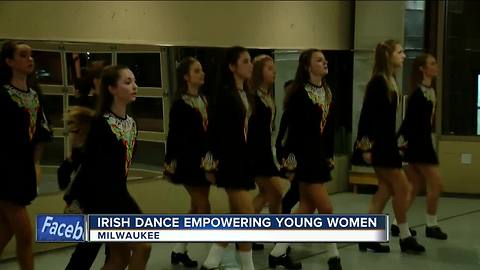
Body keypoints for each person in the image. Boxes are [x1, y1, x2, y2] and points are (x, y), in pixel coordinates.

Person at [269, 49, 341, 270]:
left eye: (324, 59)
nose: (325, 62)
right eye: (319, 60)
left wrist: (328, 154)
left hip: (317, 157)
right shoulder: (299, 93)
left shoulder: (327, 91)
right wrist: (287, 160)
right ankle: (333, 257)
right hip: (302, 158)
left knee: (307, 209)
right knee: (326, 208)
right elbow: (287, 130)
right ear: (308, 67)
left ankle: (278, 252)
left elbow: (327, 129)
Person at [352, 40, 425, 254]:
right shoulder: (378, 82)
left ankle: (368, 237)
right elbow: (367, 117)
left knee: (384, 190)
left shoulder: (390, 80)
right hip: (380, 146)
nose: (404, 56)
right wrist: (365, 147)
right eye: (400, 52)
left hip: (387, 143)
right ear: (388, 56)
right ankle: (404, 236)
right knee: (402, 188)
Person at [75, 65, 151, 269]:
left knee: (120, 257)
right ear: (111, 89)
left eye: (134, 81)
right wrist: (77, 200)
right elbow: (89, 166)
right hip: (104, 200)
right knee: (142, 247)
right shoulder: (100, 124)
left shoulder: (132, 124)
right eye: (127, 82)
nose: (134, 86)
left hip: (119, 195)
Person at [199, 46, 255, 270]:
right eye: (245, 61)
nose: (250, 65)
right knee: (248, 215)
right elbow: (213, 131)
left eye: (250, 61)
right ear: (232, 66)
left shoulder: (245, 94)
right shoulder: (224, 94)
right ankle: (247, 267)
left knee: (236, 217)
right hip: (229, 161)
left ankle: (211, 261)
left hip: (242, 160)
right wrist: (210, 164)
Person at [0, 40, 50, 270]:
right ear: (9, 61)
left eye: (31, 55)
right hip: (3, 172)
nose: (29, 59)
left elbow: (41, 133)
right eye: (23, 55)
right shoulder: (1, 95)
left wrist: (35, 164)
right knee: (25, 233)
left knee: (6, 231)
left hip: (23, 171)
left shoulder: (35, 95)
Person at [164, 57, 211, 267]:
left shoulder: (203, 100)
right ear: (186, 76)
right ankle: (214, 256)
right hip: (187, 163)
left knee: (195, 207)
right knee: (204, 208)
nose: (202, 74)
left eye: (202, 70)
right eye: (197, 70)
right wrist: (170, 163)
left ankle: (178, 249)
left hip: (203, 163)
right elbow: (173, 136)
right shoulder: (180, 104)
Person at [396, 53, 447, 240]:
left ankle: (396, 224)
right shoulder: (418, 94)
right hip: (419, 146)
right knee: (436, 183)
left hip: (423, 143)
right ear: (422, 69)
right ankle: (431, 225)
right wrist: (401, 142)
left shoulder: (430, 90)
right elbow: (409, 121)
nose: (436, 66)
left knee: (415, 185)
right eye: (432, 63)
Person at [247, 55, 283, 251]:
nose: (274, 71)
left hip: (266, 151)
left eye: (274, 68)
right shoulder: (254, 98)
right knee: (276, 191)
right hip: (257, 153)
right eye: (269, 69)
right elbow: (253, 131)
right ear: (260, 72)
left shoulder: (267, 95)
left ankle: (250, 233)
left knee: (268, 194)